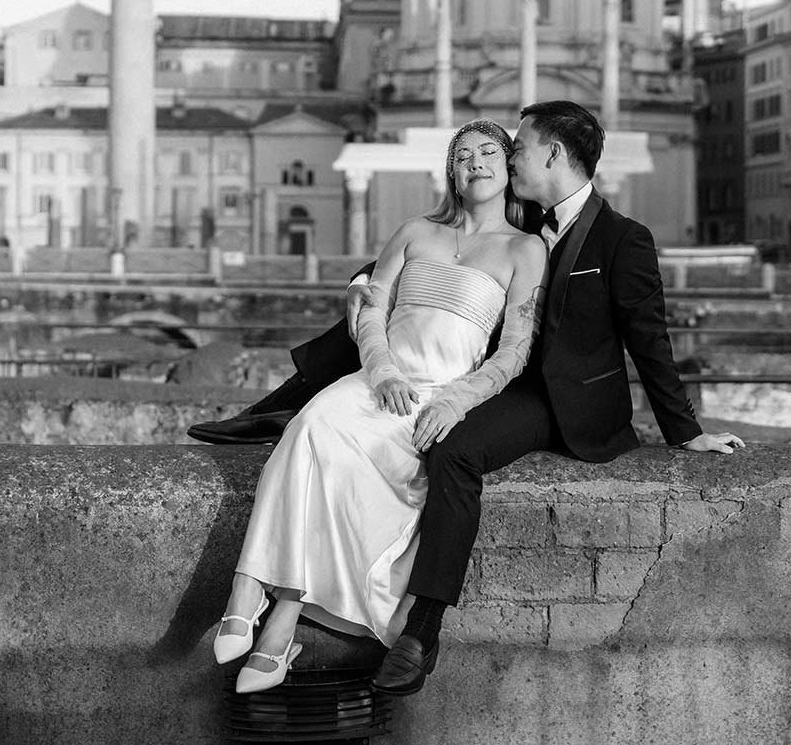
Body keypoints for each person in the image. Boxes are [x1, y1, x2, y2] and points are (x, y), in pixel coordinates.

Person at [370, 100, 746, 696]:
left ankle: (422, 627)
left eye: (518, 146)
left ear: (553, 154)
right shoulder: (517, 219)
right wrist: (370, 286)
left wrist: (683, 431)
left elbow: (649, 338)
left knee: (455, 450)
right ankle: (291, 402)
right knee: (376, 368)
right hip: (498, 378)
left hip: (564, 403)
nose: (510, 156)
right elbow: (436, 268)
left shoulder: (624, 238)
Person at [213, 120, 547, 693]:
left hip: (439, 394)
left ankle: (279, 618)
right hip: (378, 377)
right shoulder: (416, 230)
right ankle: (250, 589)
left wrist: (458, 402)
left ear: (509, 167)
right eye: (462, 155)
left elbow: (515, 351)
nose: (476, 163)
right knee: (311, 427)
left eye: (490, 152)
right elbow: (371, 307)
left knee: (349, 462)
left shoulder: (526, 249)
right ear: (451, 171)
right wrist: (383, 369)